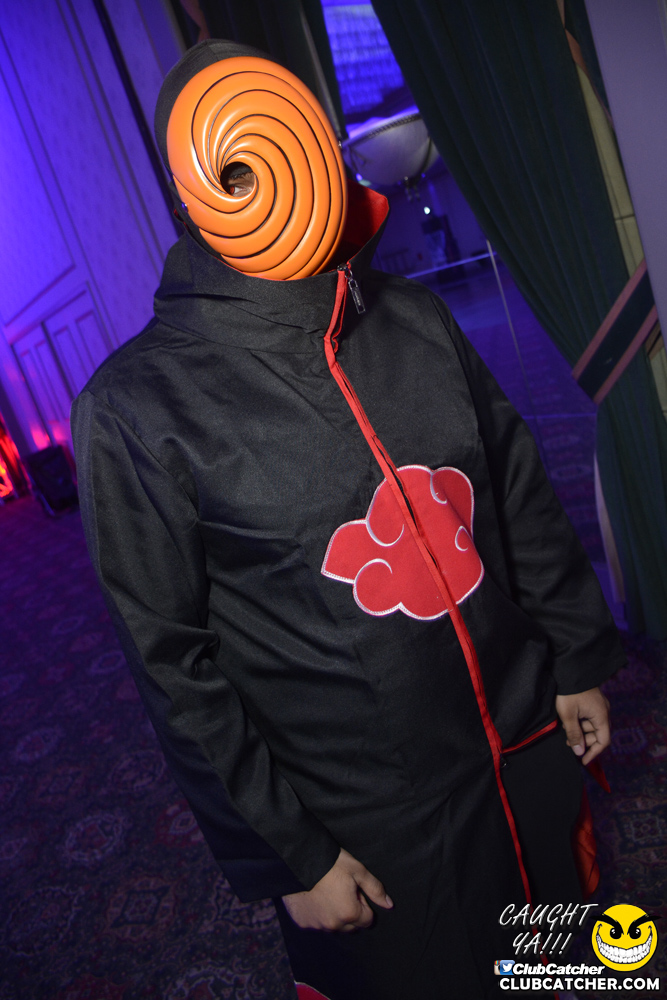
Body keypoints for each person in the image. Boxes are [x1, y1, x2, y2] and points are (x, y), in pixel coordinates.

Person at [72, 40, 624, 1000]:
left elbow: (514, 488)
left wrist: (573, 656)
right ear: (196, 188)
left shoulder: (413, 319)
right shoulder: (136, 408)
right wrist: (289, 856)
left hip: (524, 744)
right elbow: (173, 664)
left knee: (559, 965)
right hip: (372, 835)